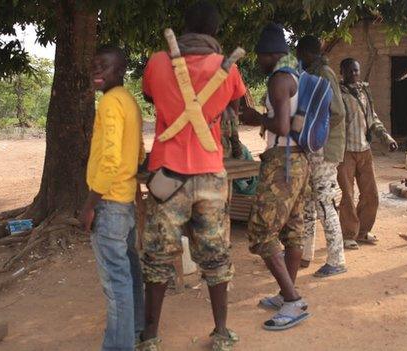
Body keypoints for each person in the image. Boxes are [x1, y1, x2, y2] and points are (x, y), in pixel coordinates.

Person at [137, 1, 246, 350]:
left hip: (167, 174)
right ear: (214, 32)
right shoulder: (227, 68)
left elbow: (150, 94)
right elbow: (235, 106)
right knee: (215, 254)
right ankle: (221, 332)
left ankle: (151, 337)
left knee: (157, 257)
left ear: (185, 27)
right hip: (211, 173)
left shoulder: (157, 61)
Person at [240, 23, 311, 331]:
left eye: (259, 56)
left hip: (282, 164)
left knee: (260, 232)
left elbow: (281, 127)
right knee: (293, 231)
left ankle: (292, 301)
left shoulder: (278, 80)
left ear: (270, 54)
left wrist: (256, 118)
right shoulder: (297, 74)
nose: (258, 62)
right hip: (299, 161)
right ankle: (287, 294)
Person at [78, 45, 144, 351]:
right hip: (126, 202)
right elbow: (139, 152)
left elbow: (110, 158)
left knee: (116, 283)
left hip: (108, 204)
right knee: (129, 273)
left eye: (104, 66)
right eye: (94, 66)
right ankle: (135, 331)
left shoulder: (108, 104)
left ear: (120, 71)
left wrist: (90, 205)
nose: (97, 72)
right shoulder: (129, 102)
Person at [295, 35, 347, 277]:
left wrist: (316, 132)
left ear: (306, 53)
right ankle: (306, 254)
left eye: (299, 54)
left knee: (325, 202)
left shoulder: (324, 74)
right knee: (308, 201)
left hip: (325, 150)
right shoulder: (312, 74)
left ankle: (337, 259)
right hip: (315, 149)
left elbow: (337, 112)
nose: (297, 59)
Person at [338, 58, 398, 250]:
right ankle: (348, 235)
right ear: (342, 73)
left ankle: (362, 232)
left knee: (370, 193)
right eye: (349, 72)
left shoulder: (364, 92)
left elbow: (373, 119)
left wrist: (386, 138)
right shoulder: (338, 93)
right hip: (345, 151)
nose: (354, 75)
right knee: (347, 195)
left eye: (356, 71)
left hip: (364, 149)